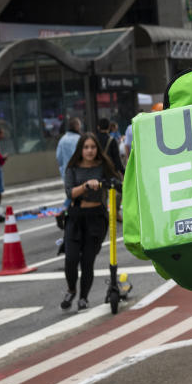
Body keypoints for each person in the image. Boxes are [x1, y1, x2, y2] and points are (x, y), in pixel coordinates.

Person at [60, 133, 123, 311]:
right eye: (86, 147)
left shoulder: (103, 165)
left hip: (96, 218)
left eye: (93, 147)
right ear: (81, 149)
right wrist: (87, 185)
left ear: (97, 149)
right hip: (75, 217)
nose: (89, 151)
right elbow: (69, 193)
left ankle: (83, 298)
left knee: (87, 261)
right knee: (71, 259)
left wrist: (112, 183)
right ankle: (71, 289)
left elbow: (118, 182)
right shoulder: (72, 168)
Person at [56, 118, 82, 210]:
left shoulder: (62, 140)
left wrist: (63, 168)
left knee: (71, 193)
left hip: (66, 172)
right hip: (79, 172)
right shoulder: (79, 139)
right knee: (76, 194)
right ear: (77, 126)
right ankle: (63, 210)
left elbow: (58, 157)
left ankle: (67, 211)